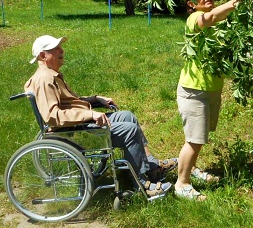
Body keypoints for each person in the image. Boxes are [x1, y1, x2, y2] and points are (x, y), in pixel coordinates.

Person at [25, 35, 178, 197]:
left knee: (127, 116)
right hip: (74, 131)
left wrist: (95, 99)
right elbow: (53, 116)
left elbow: (69, 103)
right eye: (55, 48)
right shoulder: (44, 80)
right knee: (130, 130)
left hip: (77, 124)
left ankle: (151, 167)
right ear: (43, 55)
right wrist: (89, 113)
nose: (61, 50)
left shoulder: (50, 75)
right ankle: (141, 184)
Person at [174, 0, 247, 200]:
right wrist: (235, 2)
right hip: (194, 90)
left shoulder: (217, 22)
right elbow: (211, 17)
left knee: (199, 136)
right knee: (195, 139)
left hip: (211, 88)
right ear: (191, 4)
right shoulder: (194, 19)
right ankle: (182, 184)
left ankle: (191, 169)